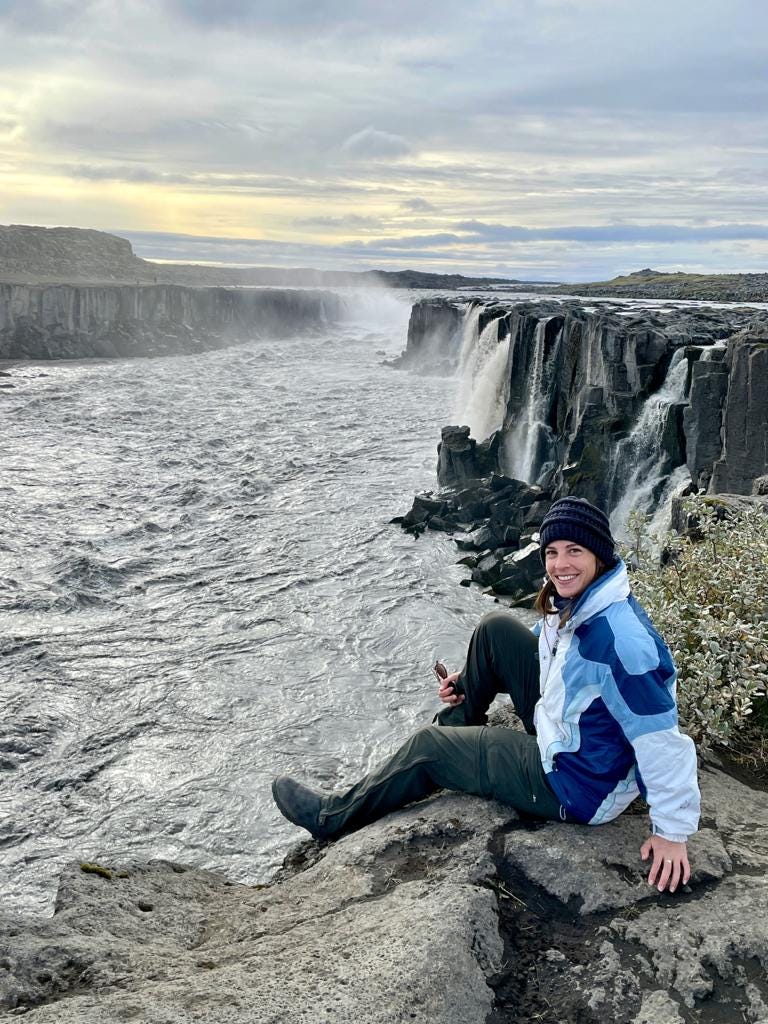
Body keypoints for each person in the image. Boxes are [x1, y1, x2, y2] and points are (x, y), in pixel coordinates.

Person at [272, 497, 700, 894]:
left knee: (429, 746)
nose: (560, 564)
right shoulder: (586, 602)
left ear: (598, 555)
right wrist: (470, 676)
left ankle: (332, 817)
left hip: (576, 783)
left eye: (574, 551)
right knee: (496, 629)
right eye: (552, 552)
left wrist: (672, 832)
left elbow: (661, 738)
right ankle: (460, 727)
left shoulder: (621, 643)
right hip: (571, 734)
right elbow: (555, 648)